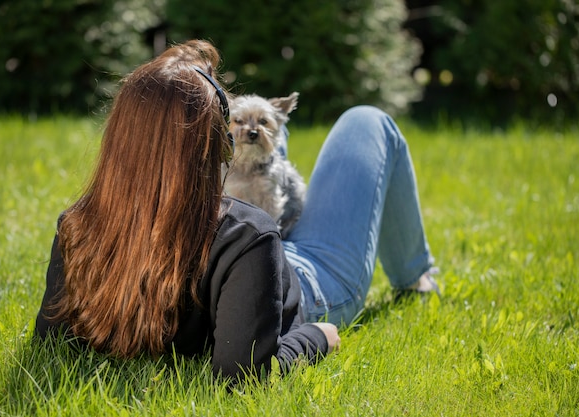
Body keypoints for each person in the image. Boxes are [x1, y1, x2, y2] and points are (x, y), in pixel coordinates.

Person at [35, 40, 438, 381]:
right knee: (367, 121)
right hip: (307, 280)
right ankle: (415, 275)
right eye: (224, 124)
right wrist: (317, 336)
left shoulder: (79, 223)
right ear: (214, 147)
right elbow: (244, 372)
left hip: (253, 251)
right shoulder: (250, 235)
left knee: (270, 134)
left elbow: (50, 340)